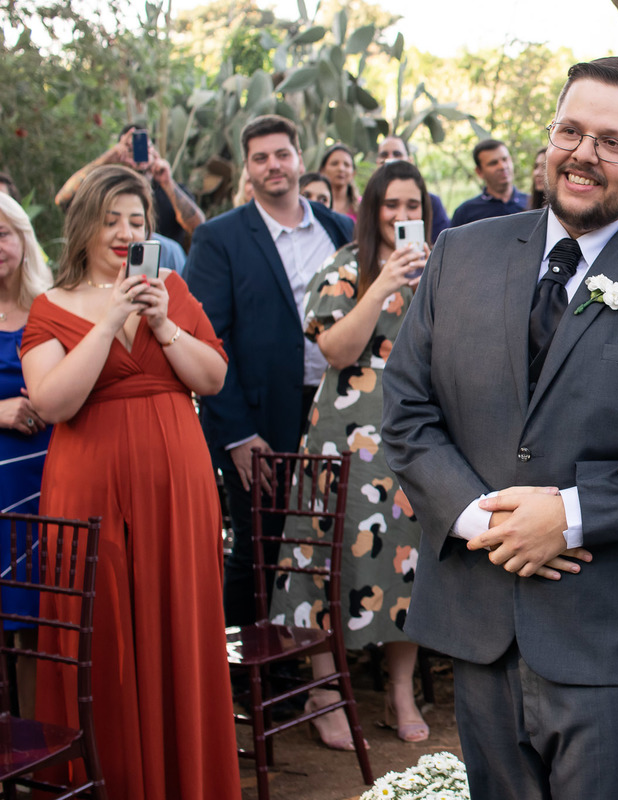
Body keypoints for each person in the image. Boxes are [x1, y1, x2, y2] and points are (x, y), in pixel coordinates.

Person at [380, 56, 618, 800]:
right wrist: (488, 521)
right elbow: (407, 409)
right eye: (570, 130)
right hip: (482, 618)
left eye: (612, 142)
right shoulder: (463, 253)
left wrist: (571, 517)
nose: (583, 153)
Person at [19, 165, 239, 799]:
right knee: (106, 633)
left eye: (137, 222)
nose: (124, 232)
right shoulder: (50, 306)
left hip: (178, 491)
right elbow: (54, 401)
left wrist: (166, 323)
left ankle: (184, 778)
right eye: (111, 219)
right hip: (90, 493)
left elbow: (212, 378)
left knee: (181, 626)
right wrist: (110, 318)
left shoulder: (171, 285)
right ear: (84, 224)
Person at [271, 159, 430, 749]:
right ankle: (324, 690)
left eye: (412, 205)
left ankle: (399, 692)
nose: (402, 216)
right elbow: (337, 351)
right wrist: (384, 282)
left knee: (406, 562)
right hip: (344, 435)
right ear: (372, 210)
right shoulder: (344, 268)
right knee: (328, 556)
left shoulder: (442, 268)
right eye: (391, 205)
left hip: (415, 435)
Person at [186, 115, 355, 628]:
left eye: (282, 154)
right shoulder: (219, 238)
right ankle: (245, 681)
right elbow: (207, 339)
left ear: (300, 159)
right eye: (260, 158)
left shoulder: (339, 228)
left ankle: (311, 656)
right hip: (261, 420)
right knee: (260, 547)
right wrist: (236, 433)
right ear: (248, 168)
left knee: (328, 540)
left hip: (336, 407)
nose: (273, 165)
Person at [0, 193, 52, 720]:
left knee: (41, 615)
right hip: (0, 481)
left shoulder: (52, 303)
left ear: (22, 238)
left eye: (2, 232)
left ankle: (43, 751)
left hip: (50, 474)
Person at [54, 125, 205, 249]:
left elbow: (199, 228)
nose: (137, 154)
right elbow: (64, 200)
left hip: (165, 266)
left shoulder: (171, 190)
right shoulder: (108, 191)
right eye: (130, 148)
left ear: (153, 150)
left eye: (143, 147)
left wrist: (167, 182)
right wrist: (107, 159)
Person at [376, 135, 450, 243]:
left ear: (409, 160)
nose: (390, 159)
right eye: (391, 205)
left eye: (413, 206)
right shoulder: (366, 201)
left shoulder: (432, 201)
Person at [448, 138, 528, 227]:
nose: (502, 166)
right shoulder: (466, 212)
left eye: (505, 159)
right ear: (479, 171)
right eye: (493, 163)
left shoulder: (533, 204)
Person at [320, 143, 359, 221]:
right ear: (323, 170)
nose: (341, 168)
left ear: (353, 173)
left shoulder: (362, 207)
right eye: (334, 164)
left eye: (346, 165)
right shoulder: (314, 202)